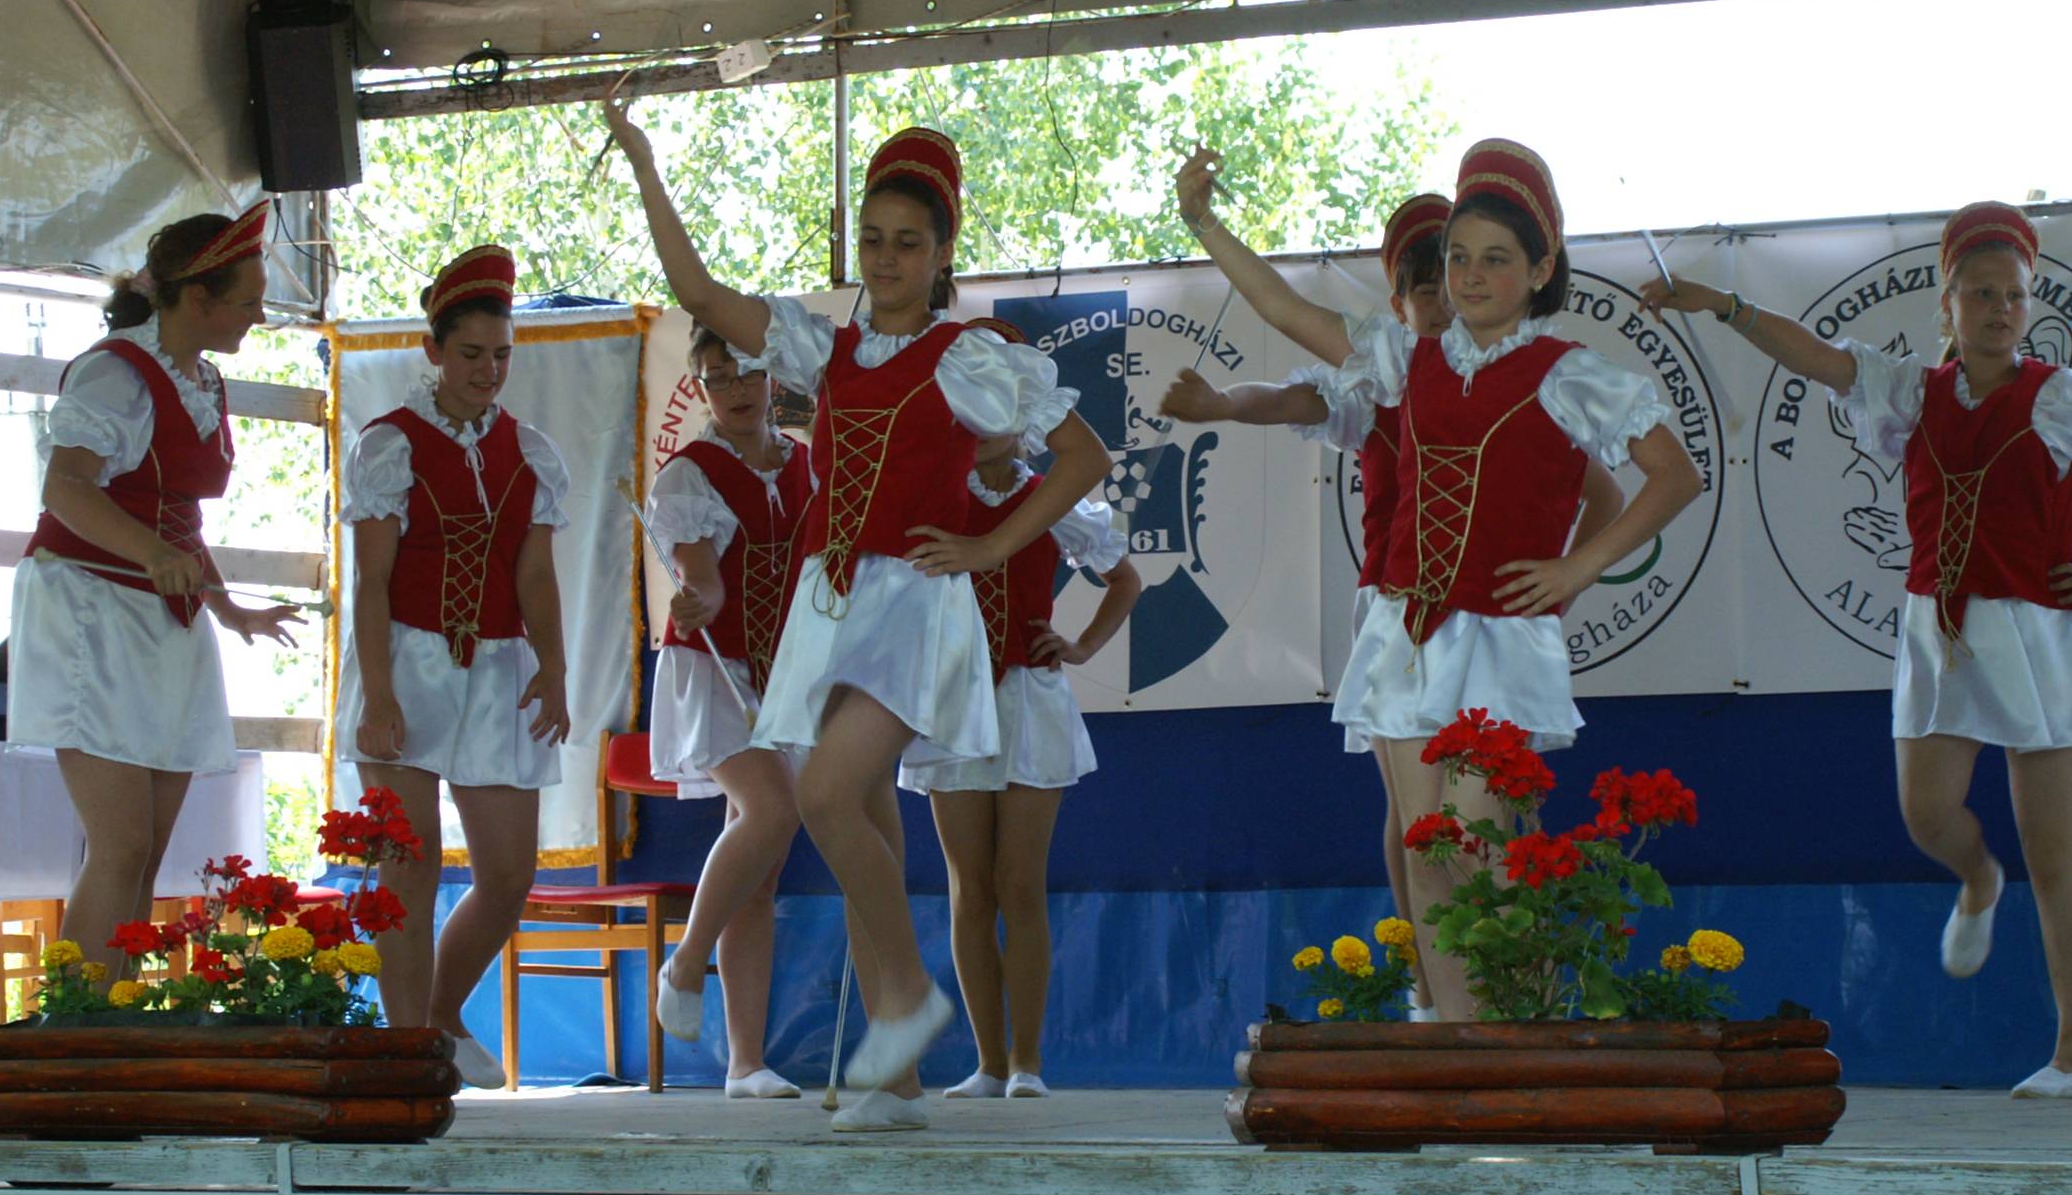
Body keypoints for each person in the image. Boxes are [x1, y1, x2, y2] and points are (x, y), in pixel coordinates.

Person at [606, 99, 1110, 1132]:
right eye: (872, 239)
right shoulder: (821, 350)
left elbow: (1084, 460)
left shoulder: (971, 355)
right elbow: (694, 289)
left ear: (941, 254)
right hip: (829, 602)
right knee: (865, 813)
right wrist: (647, 166)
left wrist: (988, 546)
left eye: (907, 242)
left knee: (827, 792)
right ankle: (896, 1075)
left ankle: (911, 1002)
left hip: (914, 606)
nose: (885, 258)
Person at [1646, 202, 2072, 1099]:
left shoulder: (2060, 397)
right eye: (1980, 292)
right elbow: (1811, 353)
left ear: (2031, 306)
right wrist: (1716, 303)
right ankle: (1975, 879)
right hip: (1943, 632)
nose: (2000, 308)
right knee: (1927, 816)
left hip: (2039, 634)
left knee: (2058, 855)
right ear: (1948, 304)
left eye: (2015, 295)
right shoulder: (1906, 390)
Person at [1179, 142, 1698, 1023]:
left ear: (1541, 270)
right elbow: (1284, 307)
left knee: (1482, 845)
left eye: (1496, 258)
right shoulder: (1402, 358)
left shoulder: (1566, 372)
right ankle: (1459, 1042)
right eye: (1459, 257)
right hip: (1404, 629)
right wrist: (1202, 220)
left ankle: (1523, 1036)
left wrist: (1578, 564)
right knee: (1426, 848)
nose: (1469, 275)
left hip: (1499, 637)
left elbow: (1674, 475)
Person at [12, 203, 301, 965]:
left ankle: (113, 1025)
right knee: (122, 843)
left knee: (147, 853)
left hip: (161, 611)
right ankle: (73, 1037)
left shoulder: (200, 379)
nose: (259, 315)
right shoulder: (114, 371)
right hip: (88, 605)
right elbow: (67, 488)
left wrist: (227, 604)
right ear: (197, 299)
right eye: (247, 300)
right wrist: (151, 555)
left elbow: (175, 516)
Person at [341, 246, 572, 1091]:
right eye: (472, 354)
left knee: (509, 873)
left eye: (502, 354)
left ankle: (438, 1015)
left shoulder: (532, 451)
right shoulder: (389, 445)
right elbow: (370, 580)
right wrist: (377, 693)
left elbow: (536, 573)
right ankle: (408, 1054)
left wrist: (554, 666)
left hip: (501, 666)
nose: (489, 371)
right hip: (405, 656)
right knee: (410, 864)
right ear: (434, 351)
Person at [908, 358, 1141, 1101]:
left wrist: (1082, 645)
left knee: (1020, 886)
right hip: (950, 706)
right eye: (967, 413)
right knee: (969, 889)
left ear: (1029, 421)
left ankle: (1030, 1063)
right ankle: (988, 1064)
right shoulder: (931, 498)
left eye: (996, 412)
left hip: (1030, 701)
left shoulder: (1055, 500)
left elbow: (1126, 580)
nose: (980, 428)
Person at [644, 323, 815, 1099]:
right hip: (715, 666)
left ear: (771, 378)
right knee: (772, 811)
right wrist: (701, 594)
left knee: (764, 870)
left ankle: (746, 1063)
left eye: (748, 372)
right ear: (703, 390)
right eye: (718, 377)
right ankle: (684, 962)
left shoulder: (812, 464)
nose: (738, 389)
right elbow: (702, 576)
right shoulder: (691, 475)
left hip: (789, 674)